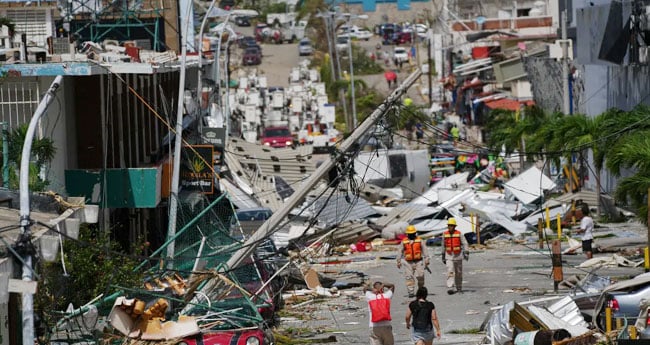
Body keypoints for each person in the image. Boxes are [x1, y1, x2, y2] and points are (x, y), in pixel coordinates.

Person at [397, 225, 429, 298]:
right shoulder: (404, 241)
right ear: (407, 234)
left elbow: (425, 250)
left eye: (412, 233)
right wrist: (398, 261)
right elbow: (400, 251)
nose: (411, 235)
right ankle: (411, 292)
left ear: (415, 233)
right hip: (408, 262)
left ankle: (420, 290)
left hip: (418, 261)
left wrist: (427, 259)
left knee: (420, 276)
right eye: (410, 234)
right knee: (409, 277)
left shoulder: (420, 240)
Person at [441, 218, 469, 294]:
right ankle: (450, 287)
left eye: (451, 226)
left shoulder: (459, 233)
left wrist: (466, 252)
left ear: (454, 226)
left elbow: (465, 243)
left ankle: (459, 287)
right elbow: (443, 245)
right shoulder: (445, 234)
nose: (450, 227)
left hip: (458, 255)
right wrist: (443, 255)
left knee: (458, 272)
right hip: (449, 255)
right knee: (450, 271)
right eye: (449, 225)